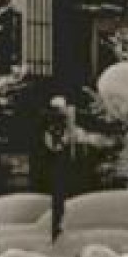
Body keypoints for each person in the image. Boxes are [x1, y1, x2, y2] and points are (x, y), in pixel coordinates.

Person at [42, 97, 72, 242]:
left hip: (56, 163)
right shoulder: (57, 123)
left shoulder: (52, 123)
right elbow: (58, 143)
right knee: (58, 198)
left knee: (58, 199)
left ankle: (56, 228)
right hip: (57, 164)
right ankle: (56, 229)